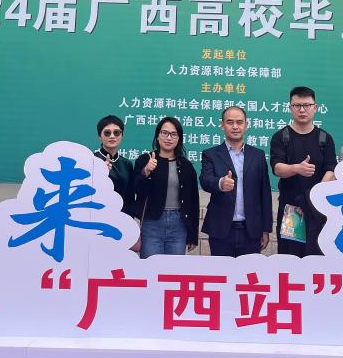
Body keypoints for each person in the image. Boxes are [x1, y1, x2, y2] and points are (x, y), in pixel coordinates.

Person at [269, 86, 337, 257]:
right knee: (290, 256)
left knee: (318, 256)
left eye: (306, 105)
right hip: (291, 210)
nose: (302, 110)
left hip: (318, 209)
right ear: (290, 108)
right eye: (297, 105)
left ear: (315, 107)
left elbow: (331, 169)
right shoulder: (281, 137)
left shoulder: (324, 138)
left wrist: (317, 193)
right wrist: (296, 168)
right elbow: (277, 168)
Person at [199, 105, 272, 257]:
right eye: (230, 122)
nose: (235, 126)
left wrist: (266, 229)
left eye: (239, 122)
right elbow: (205, 180)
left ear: (246, 125)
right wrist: (220, 183)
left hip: (251, 231)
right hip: (221, 230)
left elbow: (265, 193)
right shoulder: (210, 154)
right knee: (221, 271)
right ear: (222, 125)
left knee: (250, 271)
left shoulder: (258, 155)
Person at [131, 117, 199, 257]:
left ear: (179, 138)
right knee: (150, 266)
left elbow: (193, 201)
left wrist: (193, 234)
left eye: (173, 134)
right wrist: (146, 171)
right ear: (157, 135)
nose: (169, 138)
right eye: (164, 133)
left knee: (174, 268)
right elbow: (137, 190)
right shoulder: (145, 160)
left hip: (179, 224)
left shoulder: (186, 165)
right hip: (152, 223)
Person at [94, 115, 133, 214]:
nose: (112, 136)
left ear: (122, 135)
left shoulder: (127, 164)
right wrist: (99, 173)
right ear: (99, 136)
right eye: (107, 133)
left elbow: (129, 196)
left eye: (116, 132)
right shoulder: (92, 160)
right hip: (95, 214)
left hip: (121, 216)